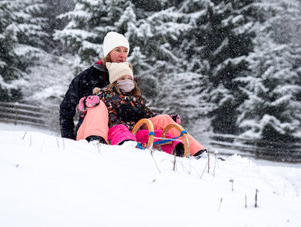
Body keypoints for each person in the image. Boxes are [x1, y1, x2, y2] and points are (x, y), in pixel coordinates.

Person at [76, 62, 207, 157]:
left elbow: (148, 114)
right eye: (122, 78)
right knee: (118, 127)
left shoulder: (135, 99)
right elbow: (106, 117)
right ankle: (106, 141)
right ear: (115, 81)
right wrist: (86, 104)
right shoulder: (106, 95)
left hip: (135, 131)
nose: (127, 81)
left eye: (129, 78)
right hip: (114, 131)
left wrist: (166, 119)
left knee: (163, 120)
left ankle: (196, 151)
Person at [59, 31, 130, 142]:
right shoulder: (88, 76)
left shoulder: (127, 78)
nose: (122, 55)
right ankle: (96, 140)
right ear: (108, 52)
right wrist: (68, 139)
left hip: (120, 133)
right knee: (98, 105)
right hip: (89, 132)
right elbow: (66, 107)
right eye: (117, 50)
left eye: (125, 51)